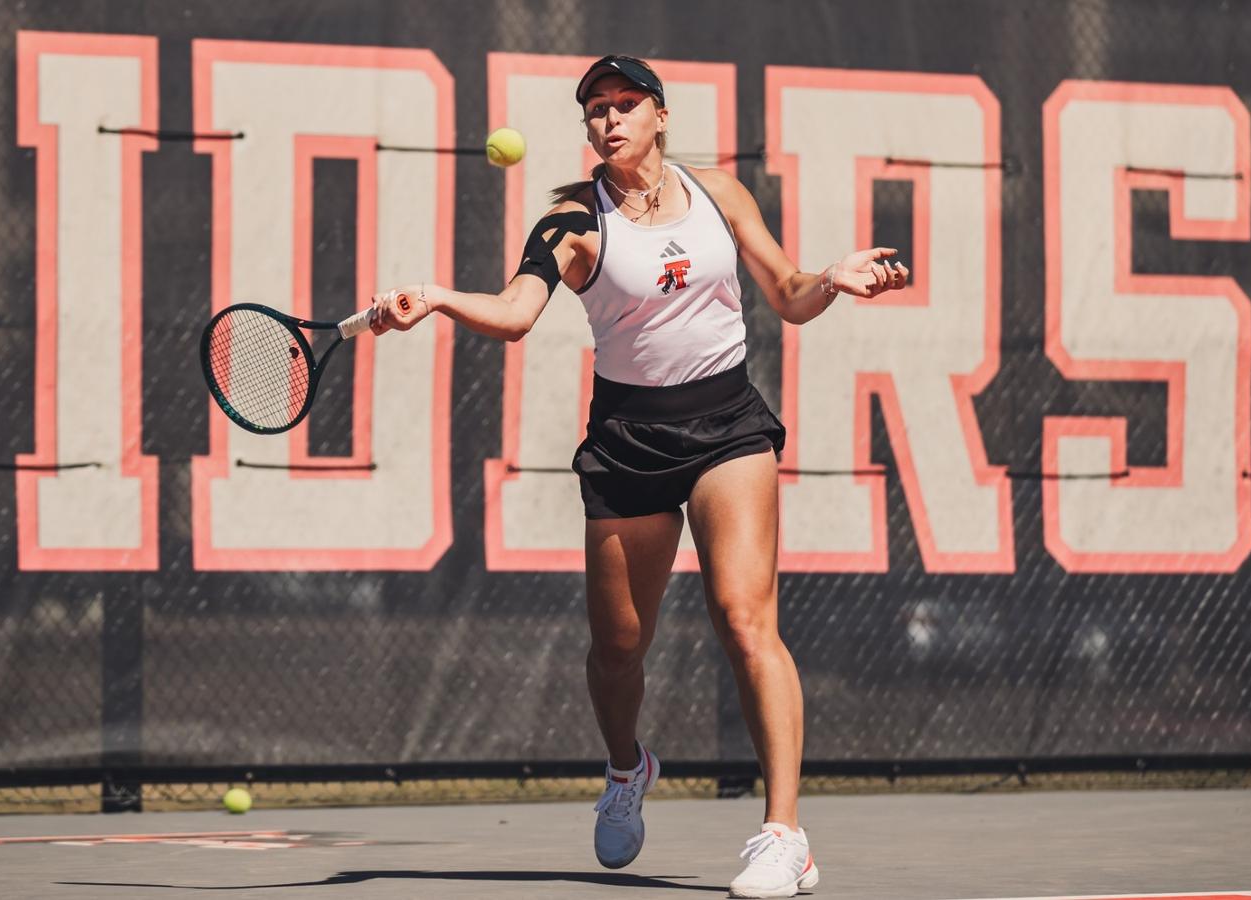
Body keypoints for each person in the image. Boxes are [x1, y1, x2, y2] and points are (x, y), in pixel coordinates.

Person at [371, 54, 908, 899]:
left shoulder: (722, 195)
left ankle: (785, 835)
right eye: (595, 109)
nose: (609, 119)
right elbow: (516, 315)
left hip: (729, 425)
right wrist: (437, 296)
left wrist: (834, 280)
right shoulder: (571, 221)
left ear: (660, 114)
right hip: (629, 438)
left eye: (625, 104)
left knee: (746, 619)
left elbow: (790, 292)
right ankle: (627, 768)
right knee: (619, 647)